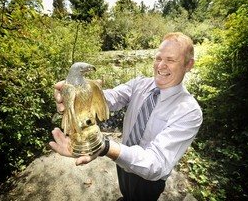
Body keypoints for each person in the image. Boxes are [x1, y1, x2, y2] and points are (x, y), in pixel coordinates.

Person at [50, 32, 203, 201]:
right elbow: (112, 97)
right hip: (122, 162)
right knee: (126, 193)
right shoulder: (139, 84)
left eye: (171, 60)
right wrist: (82, 96)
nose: (161, 65)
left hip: (148, 180)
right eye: (158, 58)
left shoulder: (189, 111)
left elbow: (156, 163)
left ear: (188, 65)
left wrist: (105, 147)